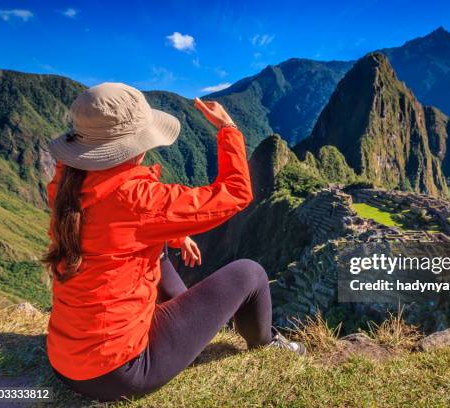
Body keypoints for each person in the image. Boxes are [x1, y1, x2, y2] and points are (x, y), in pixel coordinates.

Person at [43, 82, 305, 402]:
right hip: (121, 372)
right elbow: (235, 193)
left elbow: (115, 228)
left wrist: (173, 232)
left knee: (161, 254)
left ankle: (187, 337)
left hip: (64, 360)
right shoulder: (138, 198)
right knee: (250, 273)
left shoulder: (66, 186)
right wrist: (228, 128)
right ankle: (265, 345)